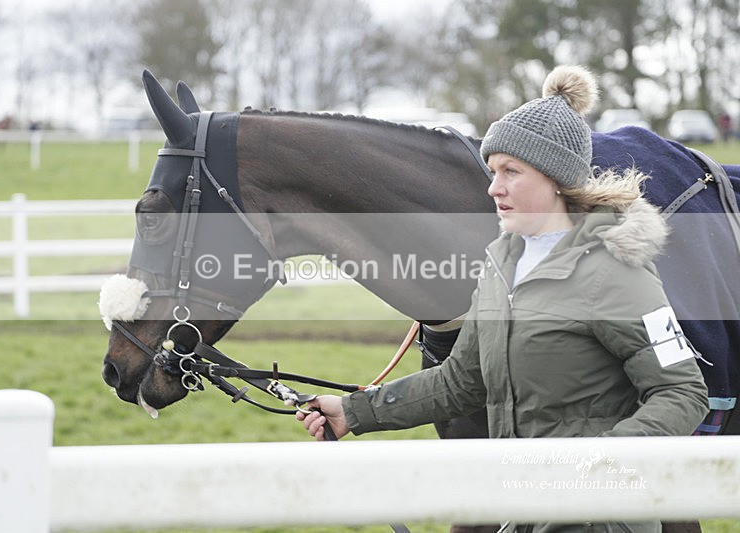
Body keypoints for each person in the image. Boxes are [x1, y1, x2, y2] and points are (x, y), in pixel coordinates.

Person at [296, 65, 709, 533]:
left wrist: (597, 468)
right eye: (492, 171)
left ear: (556, 179)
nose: (494, 187)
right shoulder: (500, 267)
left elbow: (681, 392)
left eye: (512, 171)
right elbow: (460, 382)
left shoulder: (615, 269)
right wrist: (354, 412)